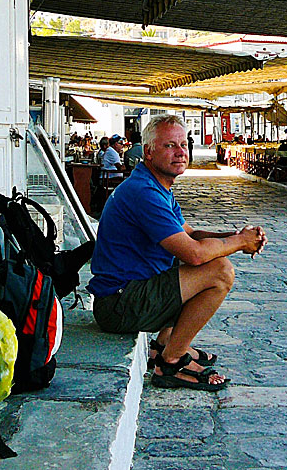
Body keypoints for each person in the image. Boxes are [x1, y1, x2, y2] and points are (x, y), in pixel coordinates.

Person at [87, 114, 267, 391]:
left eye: (184, 144)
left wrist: (236, 237)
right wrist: (240, 243)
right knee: (220, 271)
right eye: (170, 145)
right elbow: (194, 253)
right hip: (119, 304)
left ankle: (164, 343)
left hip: (128, 295)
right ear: (148, 151)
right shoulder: (143, 192)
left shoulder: (156, 187)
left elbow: (191, 235)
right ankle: (171, 361)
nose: (181, 152)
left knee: (205, 259)